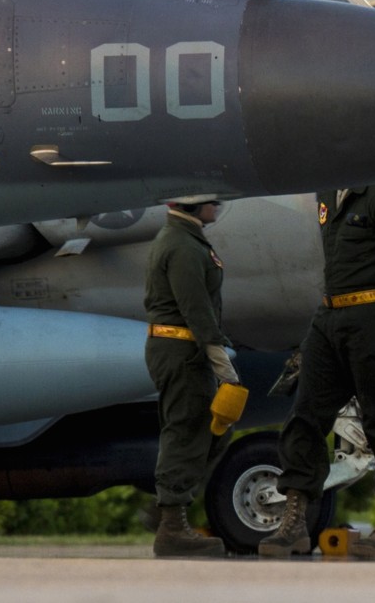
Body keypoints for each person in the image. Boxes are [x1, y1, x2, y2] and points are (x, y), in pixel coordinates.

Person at [260, 182, 375, 559]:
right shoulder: (326, 195)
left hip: (374, 314)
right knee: (304, 416)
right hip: (329, 317)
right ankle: (294, 522)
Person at [142, 194, 235, 559]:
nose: (217, 206)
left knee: (205, 429)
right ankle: (172, 526)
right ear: (194, 205)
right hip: (184, 351)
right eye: (213, 201)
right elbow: (194, 307)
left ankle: (171, 509)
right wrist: (219, 359)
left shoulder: (185, 238)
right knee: (185, 429)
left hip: (184, 349)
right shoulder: (181, 245)